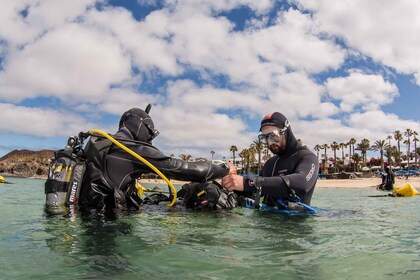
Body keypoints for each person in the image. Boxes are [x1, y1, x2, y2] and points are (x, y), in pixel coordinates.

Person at [47, 105, 232, 213]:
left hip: (87, 217)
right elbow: (183, 169)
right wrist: (224, 169)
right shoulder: (130, 148)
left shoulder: (97, 144)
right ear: (142, 128)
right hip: (106, 232)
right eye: (150, 134)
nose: (150, 140)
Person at [222, 112, 319, 211]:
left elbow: (302, 183)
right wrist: (228, 185)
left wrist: (247, 183)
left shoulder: (307, 157)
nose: (269, 142)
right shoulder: (270, 163)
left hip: (295, 224)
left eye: (273, 135)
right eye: (265, 138)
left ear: (286, 131)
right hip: (265, 223)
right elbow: (254, 192)